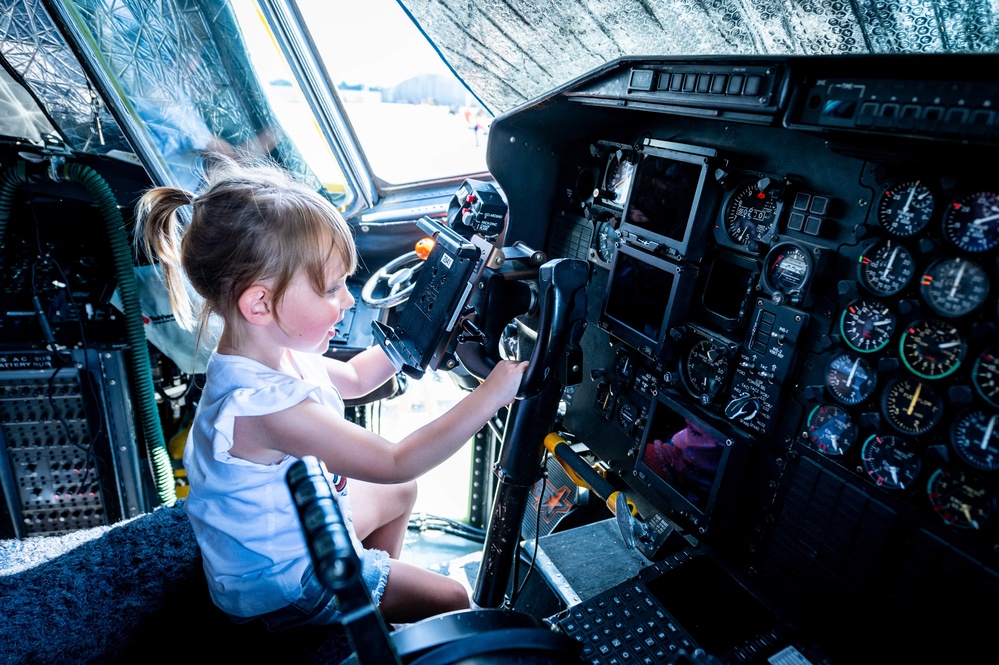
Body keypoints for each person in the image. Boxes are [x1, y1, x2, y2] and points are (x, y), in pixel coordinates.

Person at [134, 155, 527, 630]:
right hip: (284, 583)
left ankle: (373, 611)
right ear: (260, 303)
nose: (347, 300)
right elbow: (394, 459)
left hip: (295, 530)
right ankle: (366, 614)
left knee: (398, 493)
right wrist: (493, 393)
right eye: (331, 288)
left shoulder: (269, 353)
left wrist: (439, 297)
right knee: (452, 597)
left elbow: (361, 378)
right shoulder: (262, 406)